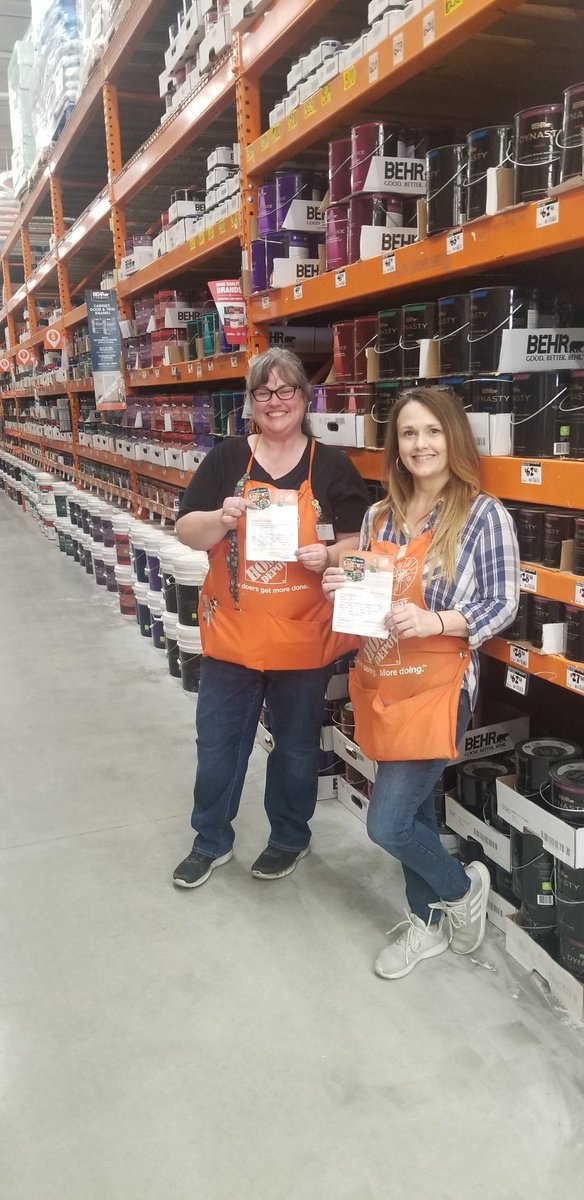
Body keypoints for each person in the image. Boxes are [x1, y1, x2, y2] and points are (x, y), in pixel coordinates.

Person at [322, 386, 520, 979]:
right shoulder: (378, 515)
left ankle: (460, 891)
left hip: (438, 686)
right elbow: (366, 595)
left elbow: (502, 601)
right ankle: (426, 920)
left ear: (453, 438)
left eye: (433, 431)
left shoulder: (483, 515)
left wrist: (434, 619)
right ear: (396, 445)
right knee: (415, 817)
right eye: (409, 433)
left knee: (388, 823)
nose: (420, 444)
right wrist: (341, 587)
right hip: (384, 679)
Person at [173, 347, 370, 888]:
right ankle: (209, 840)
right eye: (264, 392)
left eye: (287, 391)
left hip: (302, 637)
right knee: (217, 745)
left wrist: (326, 556)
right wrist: (220, 516)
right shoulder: (228, 458)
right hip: (232, 636)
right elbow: (185, 530)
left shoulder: (330, 465)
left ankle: (289, 837)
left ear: (305, 400)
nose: (275, 401)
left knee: (296, 746)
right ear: (251, 403)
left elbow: (360, 545)